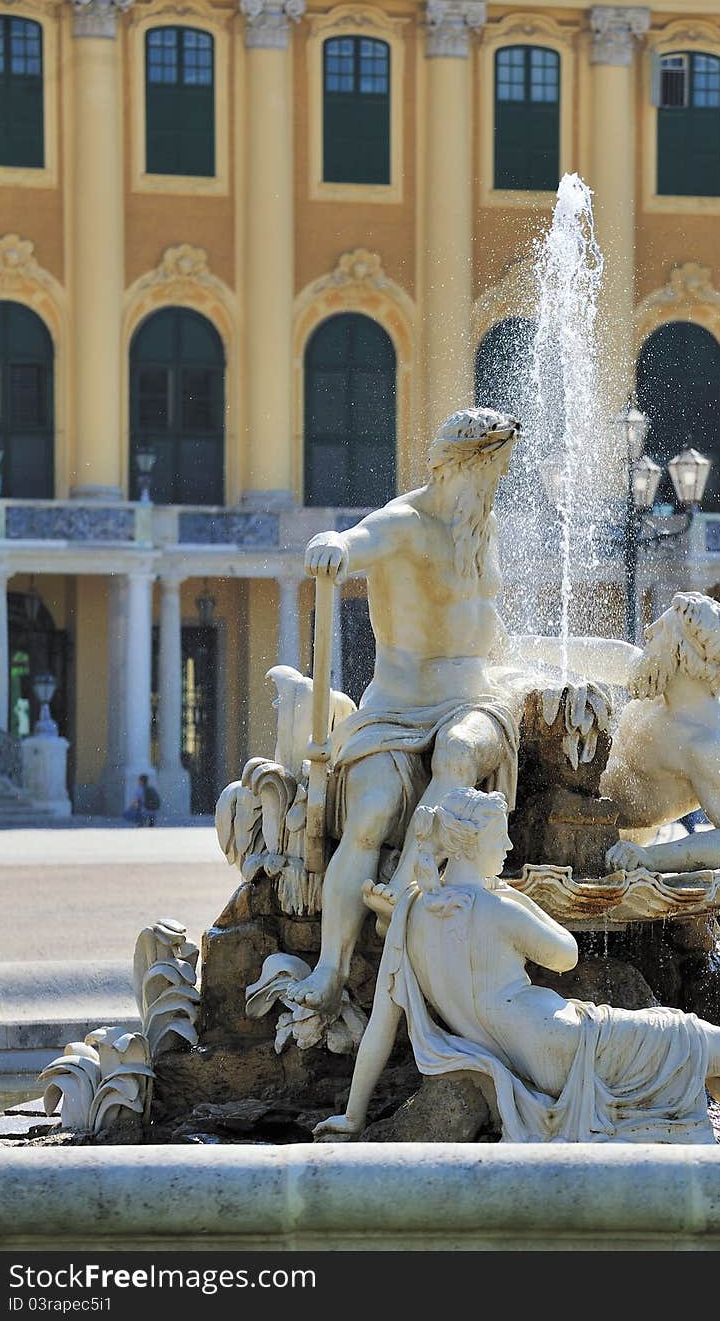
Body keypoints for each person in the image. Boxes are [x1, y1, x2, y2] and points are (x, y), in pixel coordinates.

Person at [314, 788, 720, 1147]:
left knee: (695, 1056)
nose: (509, 842)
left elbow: (383, 1027)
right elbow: (565, 953)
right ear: (469, 843)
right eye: (498, 833)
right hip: (567, 1043)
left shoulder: (410, 912)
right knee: (719, 1040)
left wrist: (354, 1116)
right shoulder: (495, 907)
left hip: (538, 1056)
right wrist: (518, 898)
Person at [292, 408, 527, 1018]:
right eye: (492, 471)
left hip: (474, 699)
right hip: (397, 707)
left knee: (459, 752)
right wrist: (333, 546)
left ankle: (405, 886)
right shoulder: (404, 523)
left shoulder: (481, 525)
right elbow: (359, 543)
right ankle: (330, 970)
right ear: (460, 467)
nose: (497, 485)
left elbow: (484, 619)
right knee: (367, 816)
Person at [516, 591, 720, 874]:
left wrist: (650, 857)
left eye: (659, 633)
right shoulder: (662, 682)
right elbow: (616, 656)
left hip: (604, 835)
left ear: (679, 652)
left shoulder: (709, 744)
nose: (647, 632)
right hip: (566, 790)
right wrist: (520, 646)